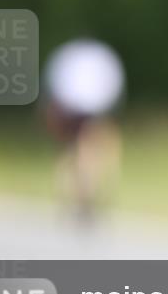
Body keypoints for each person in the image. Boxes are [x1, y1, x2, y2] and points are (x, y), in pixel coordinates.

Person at [42, 38, 126, 225]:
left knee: (73, 154)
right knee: (85, 154)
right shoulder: (93, 61)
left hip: (75, 109)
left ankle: (74, 199)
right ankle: (83, 198)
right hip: (86, 110)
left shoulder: (76, 59)